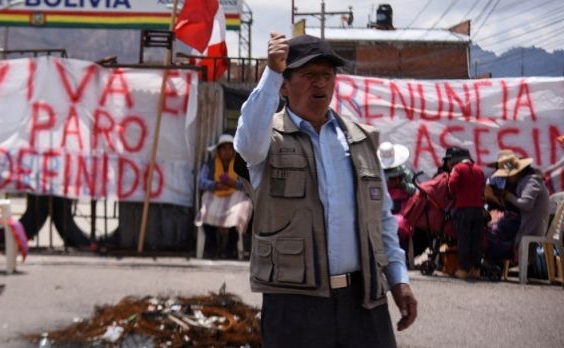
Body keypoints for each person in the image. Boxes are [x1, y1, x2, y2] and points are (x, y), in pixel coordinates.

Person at [234, 33, 417, 347]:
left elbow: (382, 219)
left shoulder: (360, 139)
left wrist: (398, 279)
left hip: (364, 301)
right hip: (294, 305)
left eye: (326, 75)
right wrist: (271, 71)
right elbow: (247, 142)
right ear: (284, 84)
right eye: (308, 75)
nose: (319, 84)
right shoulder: (267, 141)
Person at [484, 150, 551, 276]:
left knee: (493, 231)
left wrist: (507, 196)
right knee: (490, 227)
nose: (506, 179)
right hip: (523, 222)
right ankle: (494, 264)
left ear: (516, 172)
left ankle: (494, 265)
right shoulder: (523, 181)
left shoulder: (532, 181)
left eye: (507, 176)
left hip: (530, 225)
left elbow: (526, 204)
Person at [197, 134, 252, 260]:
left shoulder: (240, 165)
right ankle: (212, 248)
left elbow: (249, 184)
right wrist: (215, 185)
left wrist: (234, 184)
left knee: (237, 216)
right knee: (205, 214)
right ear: (218, 151)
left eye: (230, 148)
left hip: (235, 199)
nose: (227, 152)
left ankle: (229, 250)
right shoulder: (210, 165)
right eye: (224, 148)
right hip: (215, 197)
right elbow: (201, 181)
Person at [446, 148, 485, 280]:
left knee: (464, 240)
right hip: (479, 209)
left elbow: (452, 183)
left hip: (464, 209)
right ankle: (476, 269)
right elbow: (482, 187)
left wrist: (454, 191)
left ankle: (463, 269)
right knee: (476, 241)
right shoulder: (479, 169)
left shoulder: (458, 168)